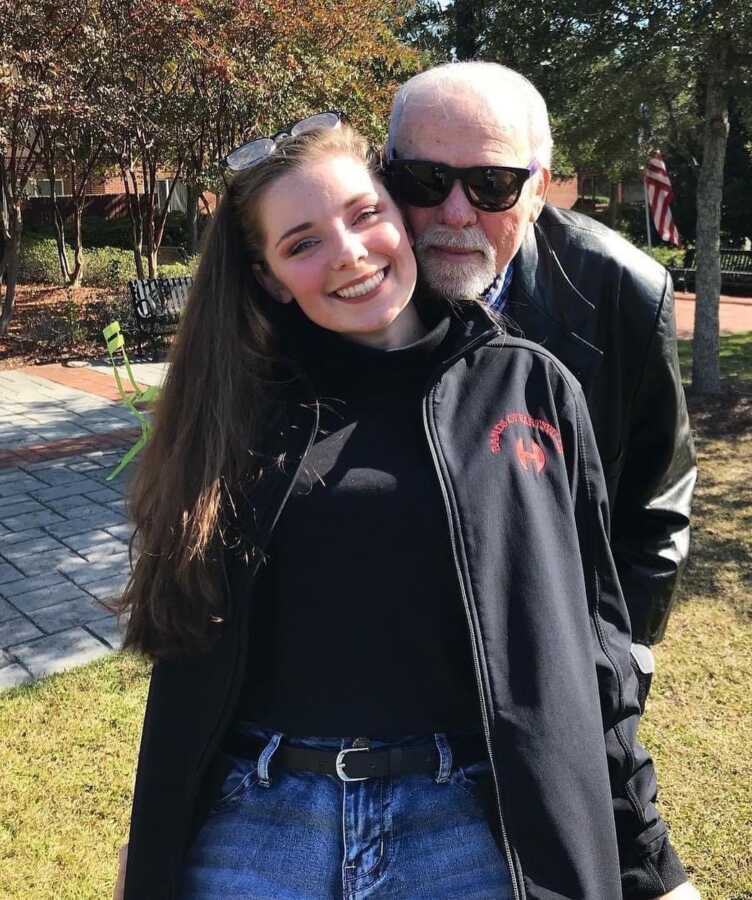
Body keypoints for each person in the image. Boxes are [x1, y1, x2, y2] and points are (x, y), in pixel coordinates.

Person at [113, 117, 697, 899]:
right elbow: (189, 653)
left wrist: (649, 859)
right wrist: (151, 838)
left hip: (465, 826)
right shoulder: (233, 408)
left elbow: (593, 644)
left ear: (397, 213)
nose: (349, 255)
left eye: (363, 215)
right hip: (258, 823)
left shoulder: (530, 386)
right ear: (269, 277)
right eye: (302, 243)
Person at [385, 63, 697, 706]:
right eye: (424, 179)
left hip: (555, 661)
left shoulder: (622, 293)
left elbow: (658, 500)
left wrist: (620, 652)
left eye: (492, 184)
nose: (454, 212)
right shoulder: (348, 284)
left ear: (539, 188)